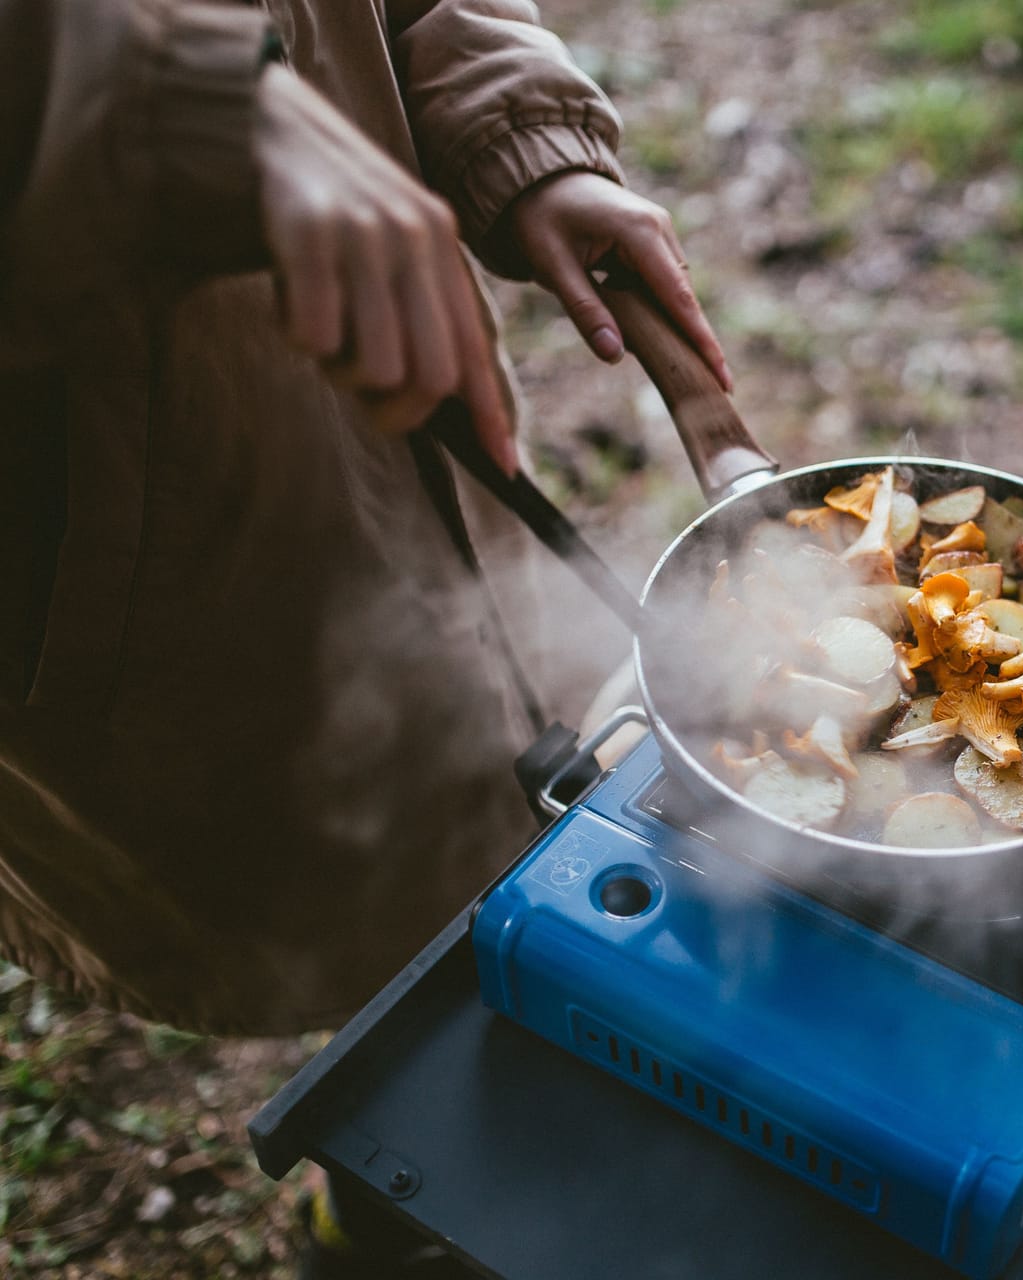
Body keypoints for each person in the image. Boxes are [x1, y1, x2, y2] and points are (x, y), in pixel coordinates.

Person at [0, 4, 727, 1069]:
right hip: (135, 495)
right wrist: (181, 94)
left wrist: (514, 129)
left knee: (473, 772)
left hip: (386, 421)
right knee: (317, 855)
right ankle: (390, 1171)